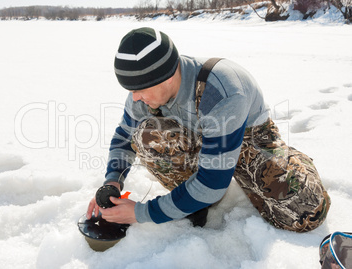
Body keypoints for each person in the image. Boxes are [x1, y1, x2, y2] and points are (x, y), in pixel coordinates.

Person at [86, 27, 331, 232]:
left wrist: (143, 213)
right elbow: (124, 136)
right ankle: (191, 202)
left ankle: (287, 162)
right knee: (146, 134)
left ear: (167, 78)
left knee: (305, 214)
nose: (135, 98)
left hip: (248, 139)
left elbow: (213, 184)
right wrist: (112, 182)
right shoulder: (145, 92)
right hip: (199, 134)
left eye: (139, 90)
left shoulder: (221, 91)